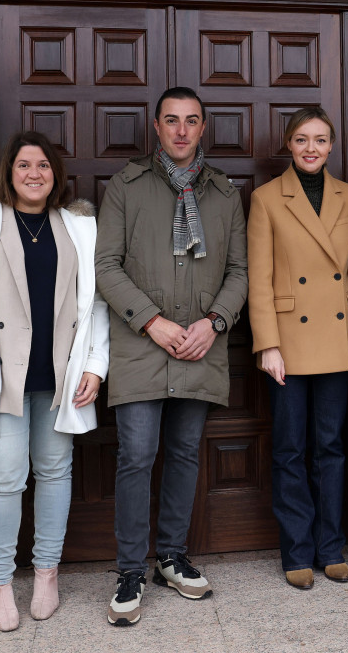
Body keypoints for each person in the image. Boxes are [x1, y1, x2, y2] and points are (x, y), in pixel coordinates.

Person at [0, 130, 110, 632]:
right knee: (6, 476)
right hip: (0, 376)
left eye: (43, 165)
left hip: (61, 373)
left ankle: (46, 574)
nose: (34, 174)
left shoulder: (78, 227)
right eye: (23, 166)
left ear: (55, 173)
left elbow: (95, 302)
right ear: (9, 174)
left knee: (56, 472)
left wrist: (96, 366)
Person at [95, 86, 248, 626]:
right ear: (155, 127)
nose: (181, 130)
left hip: (201, 347)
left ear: (203, 128)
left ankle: (171, 556)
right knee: (136, 454)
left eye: (191, 121)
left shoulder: (226, 195)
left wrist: (215, 323)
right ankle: (130, 569)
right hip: (142, 346)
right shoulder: (126, 187)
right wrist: (153, 322)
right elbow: (106, 267)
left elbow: (239, 271)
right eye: (171, 121)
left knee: (184, 454)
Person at [247, 107, 348, 590]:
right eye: (302, 140)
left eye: (320, 139)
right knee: (291, 448)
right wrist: (267, 345)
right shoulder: (266, 198)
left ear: (332, 145)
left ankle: (331, 547)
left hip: (336, 337)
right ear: (288, 145)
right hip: (288, 341)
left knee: (332, 448)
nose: (311, 148)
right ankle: (297, 551)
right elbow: (259, 277)